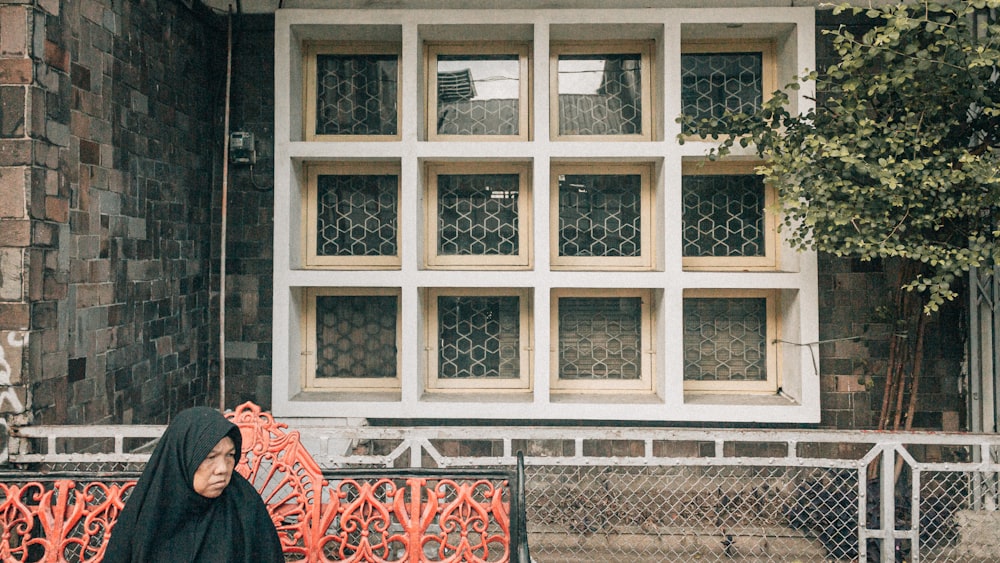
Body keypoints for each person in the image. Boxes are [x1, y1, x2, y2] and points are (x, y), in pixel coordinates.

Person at [103, 406, 285, 562]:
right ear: (182, 458)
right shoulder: (150, 512)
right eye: (210, 457)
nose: (222, 468)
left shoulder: (245, 507)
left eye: (230, 455)